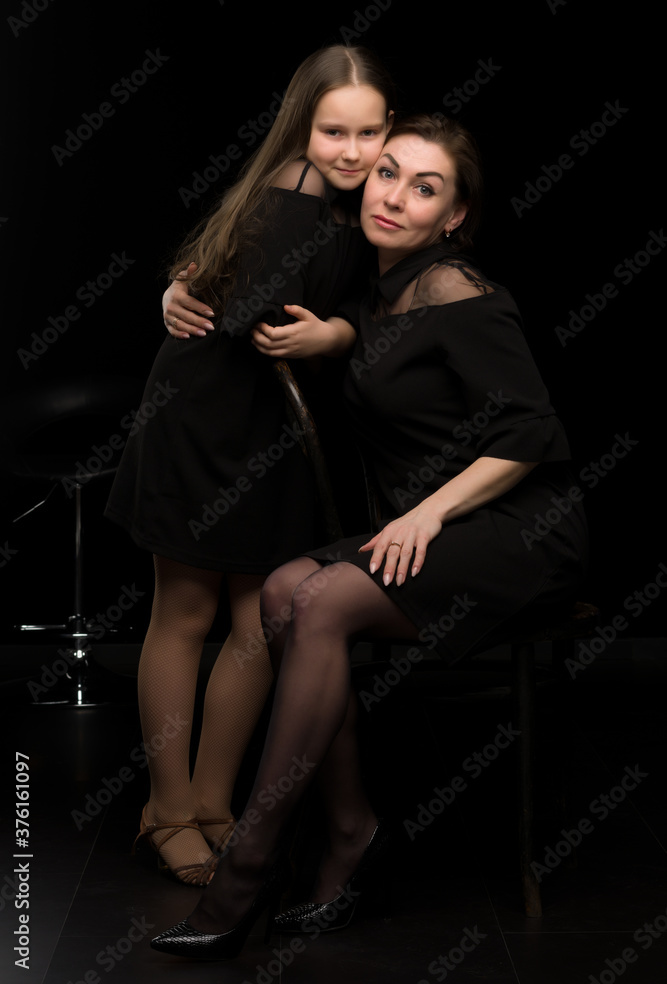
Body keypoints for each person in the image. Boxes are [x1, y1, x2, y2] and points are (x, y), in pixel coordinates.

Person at [150, 113, 588, 956]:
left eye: (425, 188)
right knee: (282, 588)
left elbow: (532, 434)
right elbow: (240, 278)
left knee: (314, 603)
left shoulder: (462, 294)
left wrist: (426, 512)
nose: (393, 196)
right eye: (387, 172)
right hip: (424, 532)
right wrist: (177, 289)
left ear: (453, 216)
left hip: (513, 532)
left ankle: (252, 864)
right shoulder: (372, 282)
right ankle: (351, 831)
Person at [104, 44, 395, 884]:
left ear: (387, 131)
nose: (348, 150)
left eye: (366, 132)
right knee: (187, 617)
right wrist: (185, 289)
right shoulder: (298, 189)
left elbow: (369, 307)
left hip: (274, 431)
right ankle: (166, 811)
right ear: (302, 129)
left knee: (254, 627)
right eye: (331, 130)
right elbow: (240, 310)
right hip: (204, 419)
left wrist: (336, 333)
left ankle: (212, 803)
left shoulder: (362, 200)